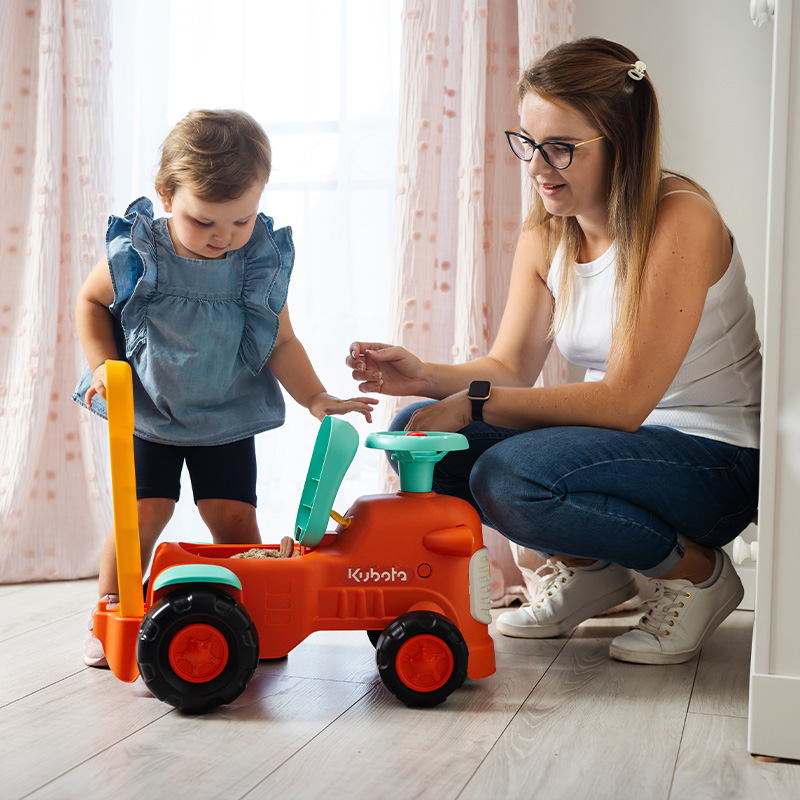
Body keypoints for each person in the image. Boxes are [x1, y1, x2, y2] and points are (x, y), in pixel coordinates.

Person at [346, 38, 761, 665]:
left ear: (622, 141)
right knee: (420, 436)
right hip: (625, 448)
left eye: (561, 148)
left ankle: (700, 574)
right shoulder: (549, 229)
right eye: (528, 143)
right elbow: (511, 368)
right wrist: (424, 377)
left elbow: (623, 403)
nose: (538, 167)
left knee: (508, 471)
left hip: (716, 458)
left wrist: (473, 404)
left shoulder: (681, 219)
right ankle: (591, 569)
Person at [75, 109, 377, 667]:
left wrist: (315, 397)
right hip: (151, 412)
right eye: (205, 222)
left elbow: (282, 341)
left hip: (227, 414)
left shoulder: (255, 258)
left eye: (240, 220)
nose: (224, 237)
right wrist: (101, 363)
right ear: (167, 196)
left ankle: (247, 610)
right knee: (141, 516)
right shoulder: (141, 252)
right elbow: (91, 303)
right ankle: (113, 611)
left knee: (234, 520)